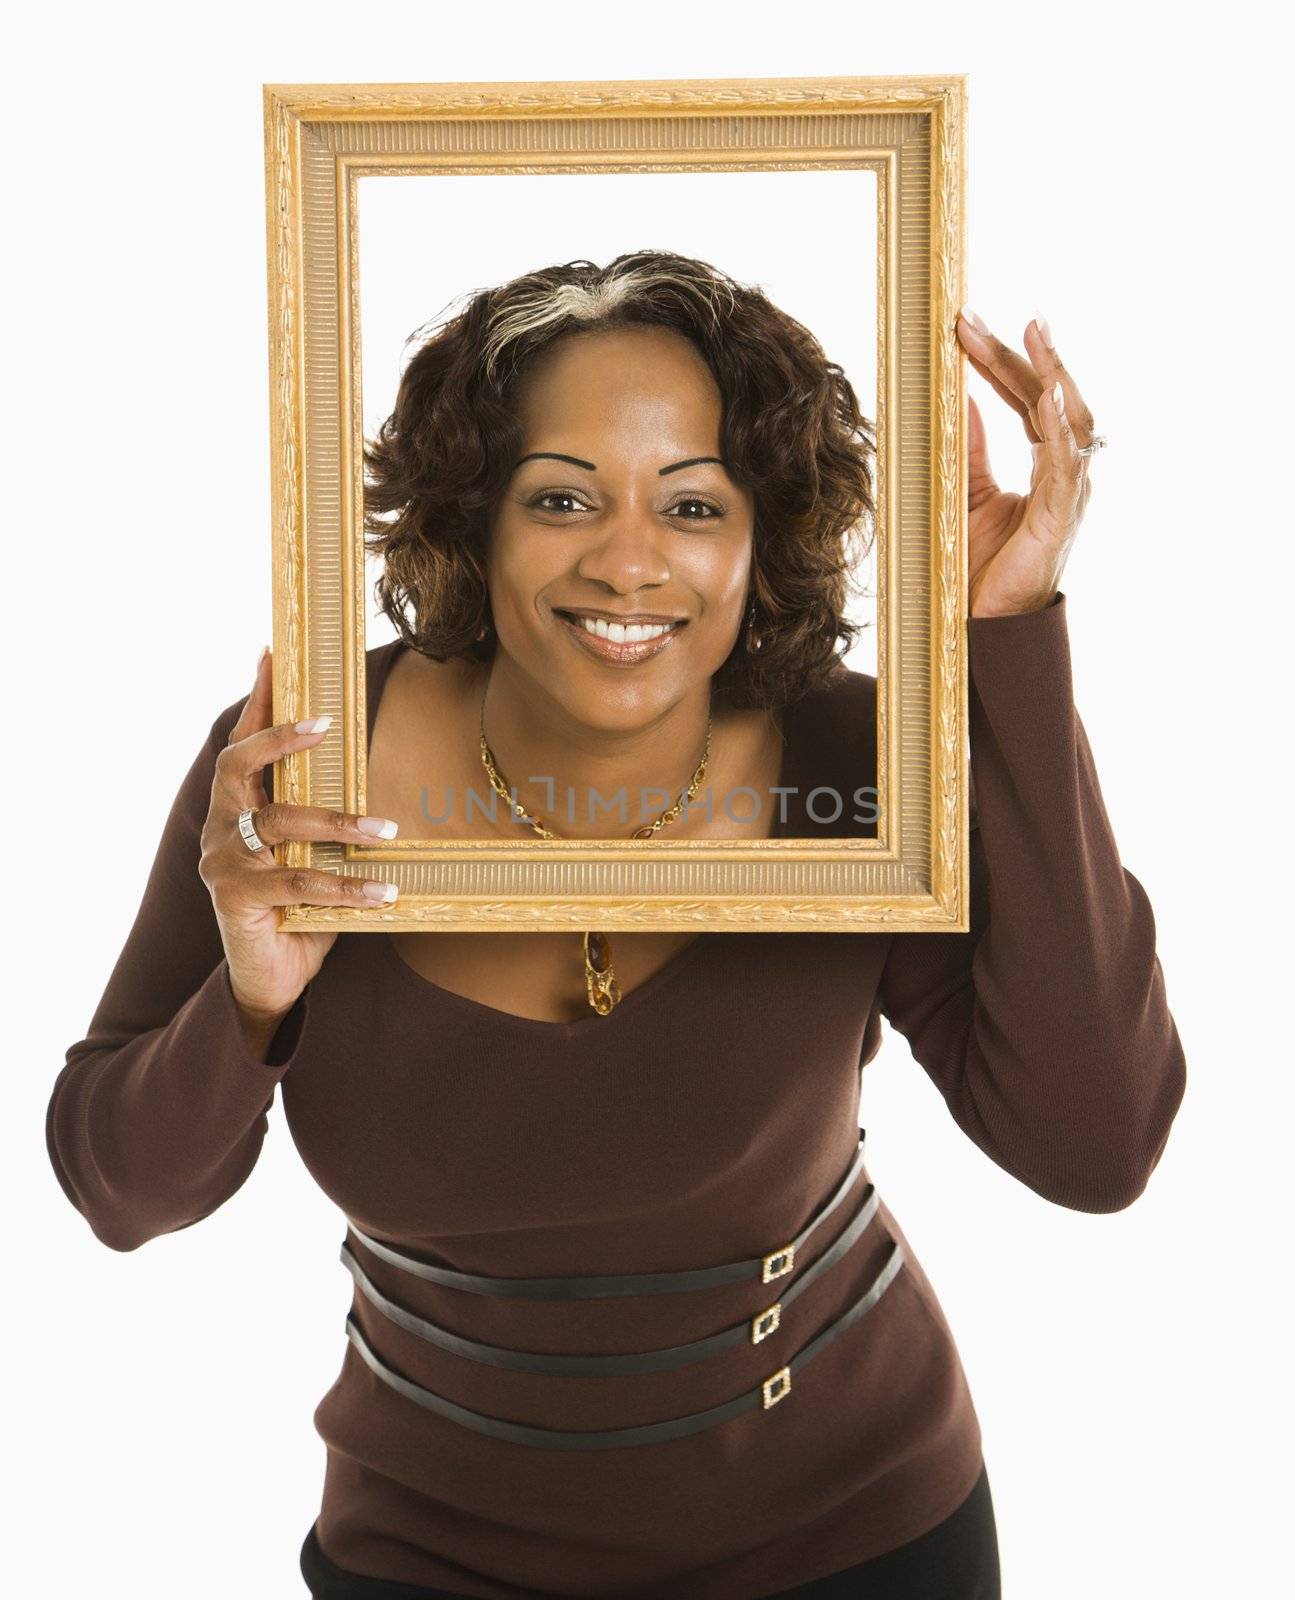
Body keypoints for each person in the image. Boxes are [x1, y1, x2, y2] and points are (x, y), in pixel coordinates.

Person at [46, 252, 1185, 1599]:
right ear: (474, 522)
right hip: (428, 1555)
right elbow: (120, 1190)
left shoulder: (857, 760)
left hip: (858, 1530)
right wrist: (247, 998)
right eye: (562, 497)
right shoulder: (308, 766)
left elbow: (1094, 1144)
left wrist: (1011, 649)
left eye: (694, 502)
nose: (631, 560)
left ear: (763, 539)